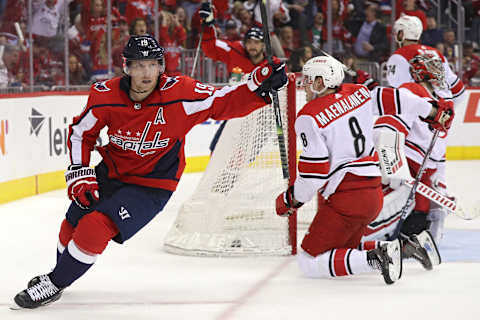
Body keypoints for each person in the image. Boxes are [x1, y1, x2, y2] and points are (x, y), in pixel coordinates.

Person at [12, 34, 288, 309]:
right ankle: (61, 272)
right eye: (139, 65)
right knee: (71, 222)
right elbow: (80, 133)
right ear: (127, 67)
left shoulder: (181, 94)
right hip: (112, 172)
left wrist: (258, 86)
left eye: (153, 64)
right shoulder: (104, 95)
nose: (147, 72)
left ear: (161, 66)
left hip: (153, 185)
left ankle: (54, 283)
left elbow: (222, 101)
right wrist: (79, 172)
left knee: (95, 226)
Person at [275, 55, 453, 283]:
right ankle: (404, 247)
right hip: (372, 192)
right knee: (344, 245)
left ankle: (377, 257)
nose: (305, 86)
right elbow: (399, 99)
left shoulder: (308, 116)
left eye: (309, 80)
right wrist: (432, 111)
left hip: (345, 199)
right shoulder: (358, 92)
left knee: (308, 261)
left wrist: (291, 200)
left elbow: (314, 173)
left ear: (321, 82)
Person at [385, 15, 465, 244]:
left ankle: (409, 225)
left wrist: (424, 112)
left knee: (406, 179)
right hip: (439, 127)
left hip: (418, 126)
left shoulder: (399, 56)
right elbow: (458, 91)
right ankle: (432, 228)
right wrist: (441, 111)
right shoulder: (435, 54)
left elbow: (400, 99)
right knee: (433, 179)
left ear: (401, 34)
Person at [198, 1, 281, 153]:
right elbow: (211, 48)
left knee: (248, 153)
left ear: (263, 45)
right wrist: (208, 24)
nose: (252, 46)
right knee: (216, 149)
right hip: (235, 110)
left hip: (259, 117)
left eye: (257, 43)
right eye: (249, 42)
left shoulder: (270, 66)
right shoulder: (235, 50)